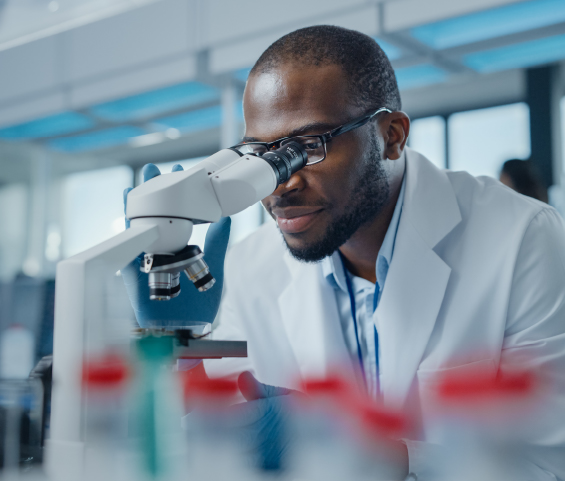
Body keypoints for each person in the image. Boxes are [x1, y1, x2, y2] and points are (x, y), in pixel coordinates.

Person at [124, 26, 565, 480]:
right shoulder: (250, 269)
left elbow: (548, 464)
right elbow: (217, 441)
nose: (281, 182)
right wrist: (178, 349)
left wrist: (375, 455)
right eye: (261, 154)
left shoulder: (524, 241)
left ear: (392, 136)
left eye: (308, 147)